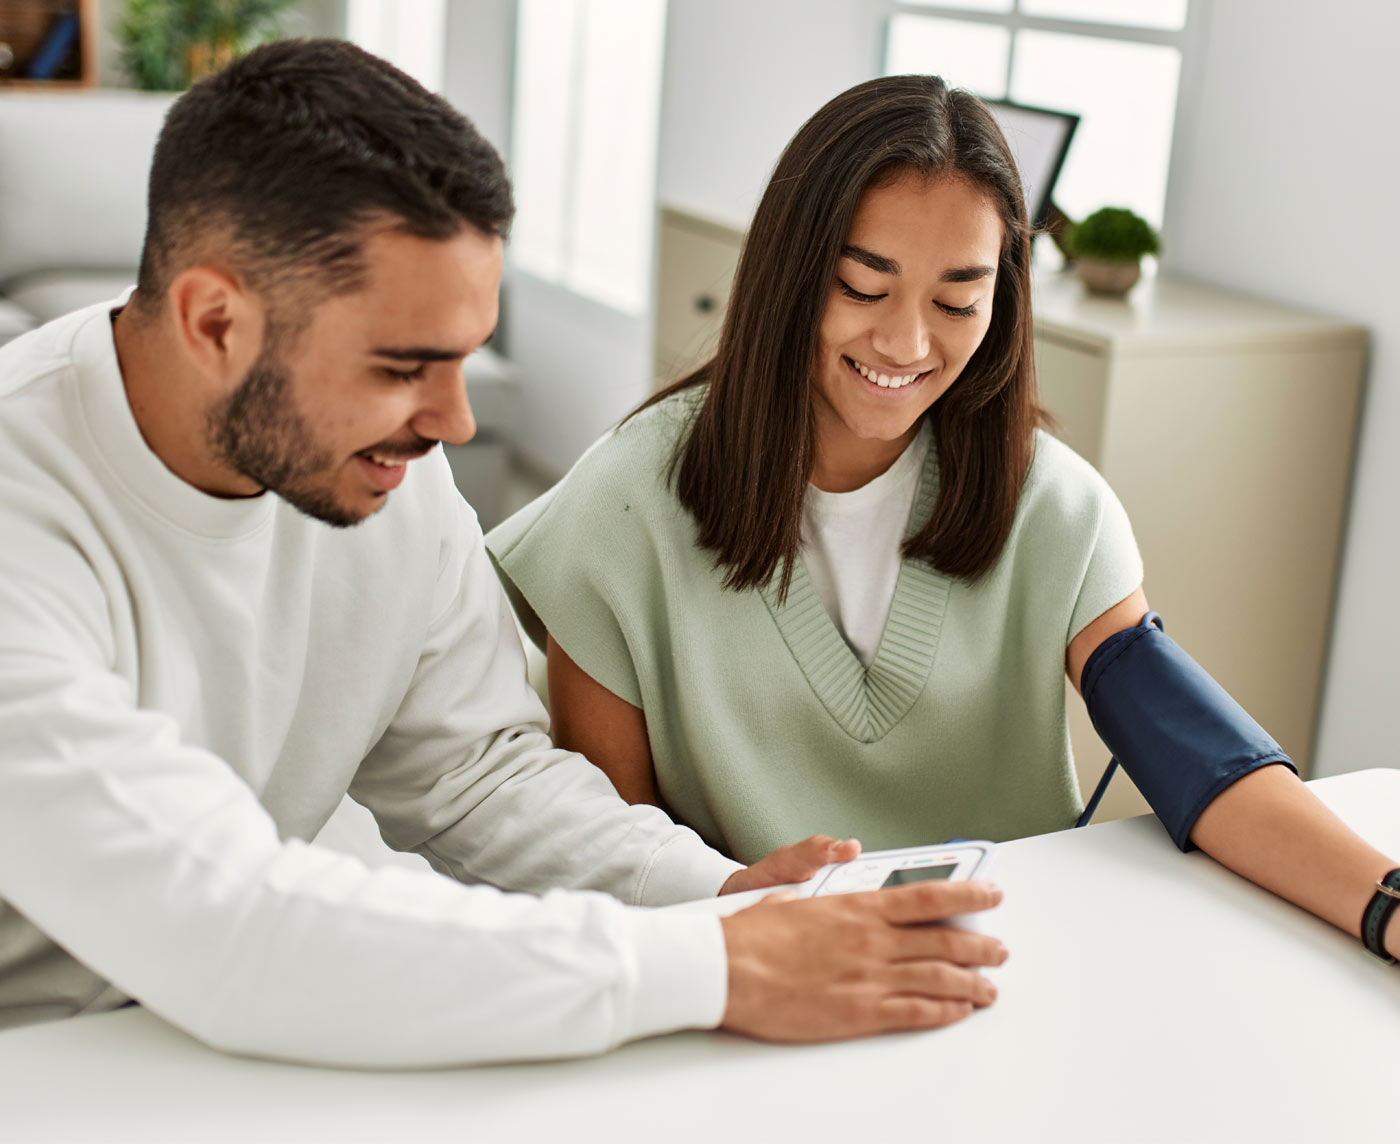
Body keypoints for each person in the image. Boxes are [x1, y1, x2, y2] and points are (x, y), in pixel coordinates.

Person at [0, 43, 1015, 1069]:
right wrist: (716, 968)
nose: (452, 420)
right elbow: (229, 925)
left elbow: (476, 772)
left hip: (209, 1042)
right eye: (403, 367)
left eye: (459, 356)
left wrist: (710, 893)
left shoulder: (375, 460)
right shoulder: (20, 514)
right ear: (215, 320)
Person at [487, 75, 1400, 964]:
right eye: (862, 286)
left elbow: (1202, 760)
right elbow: (618, 858)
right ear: (789, 273)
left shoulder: (1051, 503)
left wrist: (1387, 906)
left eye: (958, 300)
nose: (907, 344)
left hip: (1000, 969)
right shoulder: (626, 501)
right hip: (759, 974)